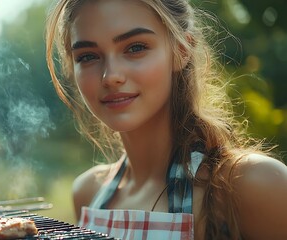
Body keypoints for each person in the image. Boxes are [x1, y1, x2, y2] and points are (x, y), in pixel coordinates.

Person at [45, 0, 287, 239]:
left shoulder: (252, 185)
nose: (111, 76)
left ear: (182, 50)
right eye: (87, 57)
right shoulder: (87, 192)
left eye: (135, 47)